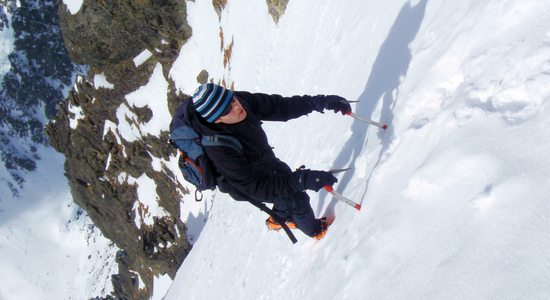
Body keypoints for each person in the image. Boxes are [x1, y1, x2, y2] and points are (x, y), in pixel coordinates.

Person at [187, 83, 352, 240]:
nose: (237, 107)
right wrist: (303, 179)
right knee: (296, 199)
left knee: (286, 180)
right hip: (244, 184)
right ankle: (315, 230)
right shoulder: (219, 149)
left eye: (232, 100)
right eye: (228, 110)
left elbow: (280, 106)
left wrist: (319, 102)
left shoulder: (240, 102)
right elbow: (259, 188)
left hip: (263, 158)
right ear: (217, 120)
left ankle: (279, 218)